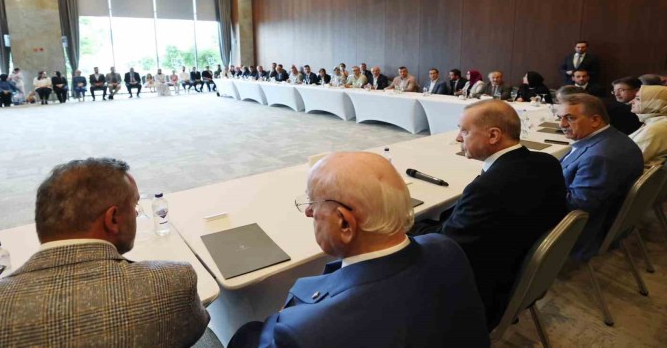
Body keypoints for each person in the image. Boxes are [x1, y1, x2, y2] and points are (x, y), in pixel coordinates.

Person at [0, 158, 209, 347]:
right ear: (113, 218)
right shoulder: (172, 281)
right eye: (134, 205)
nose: (137, 212)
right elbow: (193, 331)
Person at [229, 152, 489, 348]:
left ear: (344, 223)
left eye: (313, 203)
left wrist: (286, 316)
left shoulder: (303, 331)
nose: (308, 212)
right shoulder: (444, 246)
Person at [413, 100, 568, 329]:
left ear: (494, 135)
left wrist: (407, 225)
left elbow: (445, 247)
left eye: (465, 131)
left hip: (483, 295)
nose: (458, 138)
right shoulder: (547, 162)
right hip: (520, 273)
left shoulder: (487, 189)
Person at [557, 94, 643, 260]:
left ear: (595, 120)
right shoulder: (614, 137)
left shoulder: (599, 157)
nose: (562, 124)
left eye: (570, 118)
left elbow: (577, 205)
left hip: (582, 232)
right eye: (560, 118)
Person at [629, 85, 667, 168]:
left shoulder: (656, 128)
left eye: (638, 99)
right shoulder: (655, 122)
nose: (631, 101)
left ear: (656, 103)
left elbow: (626, 159)